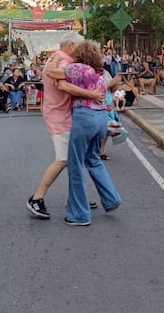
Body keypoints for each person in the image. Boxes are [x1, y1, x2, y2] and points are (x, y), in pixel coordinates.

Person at [26, 32, 105, 219]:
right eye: (79, 47)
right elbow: (62, 86)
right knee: (63, 158)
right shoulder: (63, 61)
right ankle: (37, 198)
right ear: (71, 45)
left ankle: (78, 197)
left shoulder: (58, 58)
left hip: (62, 113)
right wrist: (91, 95)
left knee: (74, 159)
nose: (82, 51)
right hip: (59, 115)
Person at [51, 40, 122, 226]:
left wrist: (54, 59)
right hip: (101, 119)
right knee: (93, 159)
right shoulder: (99, 73)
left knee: (75, 165)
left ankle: (79, 214)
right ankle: (111, 198)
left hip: (84, 117)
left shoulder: (78, 69)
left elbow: (52, 73)